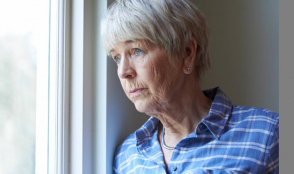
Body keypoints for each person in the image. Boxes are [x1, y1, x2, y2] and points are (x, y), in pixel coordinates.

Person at [101, 0, 279, 173]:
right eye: (117, 58)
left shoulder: (267, 134)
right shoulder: (126, 157)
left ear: (187, 52)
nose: (123, 72)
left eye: (136, 50)